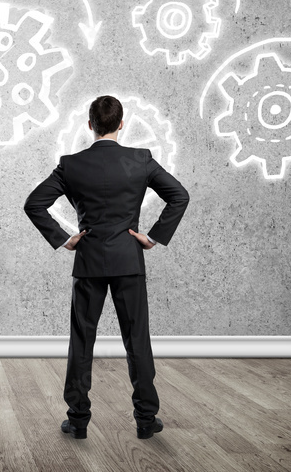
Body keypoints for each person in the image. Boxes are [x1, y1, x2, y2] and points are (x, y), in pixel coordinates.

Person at [23, 95, 189, 440]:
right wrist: (153, 237)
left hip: (88, 262)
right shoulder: (140, 159)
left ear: (90, 125)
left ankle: (78, 420)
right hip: (129, 259)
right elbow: (179, 195)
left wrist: (64, 238)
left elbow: (34, 204)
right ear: (121, 123)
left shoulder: (70, 165)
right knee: (137, 341)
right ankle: (146, 420)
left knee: (82, 342)